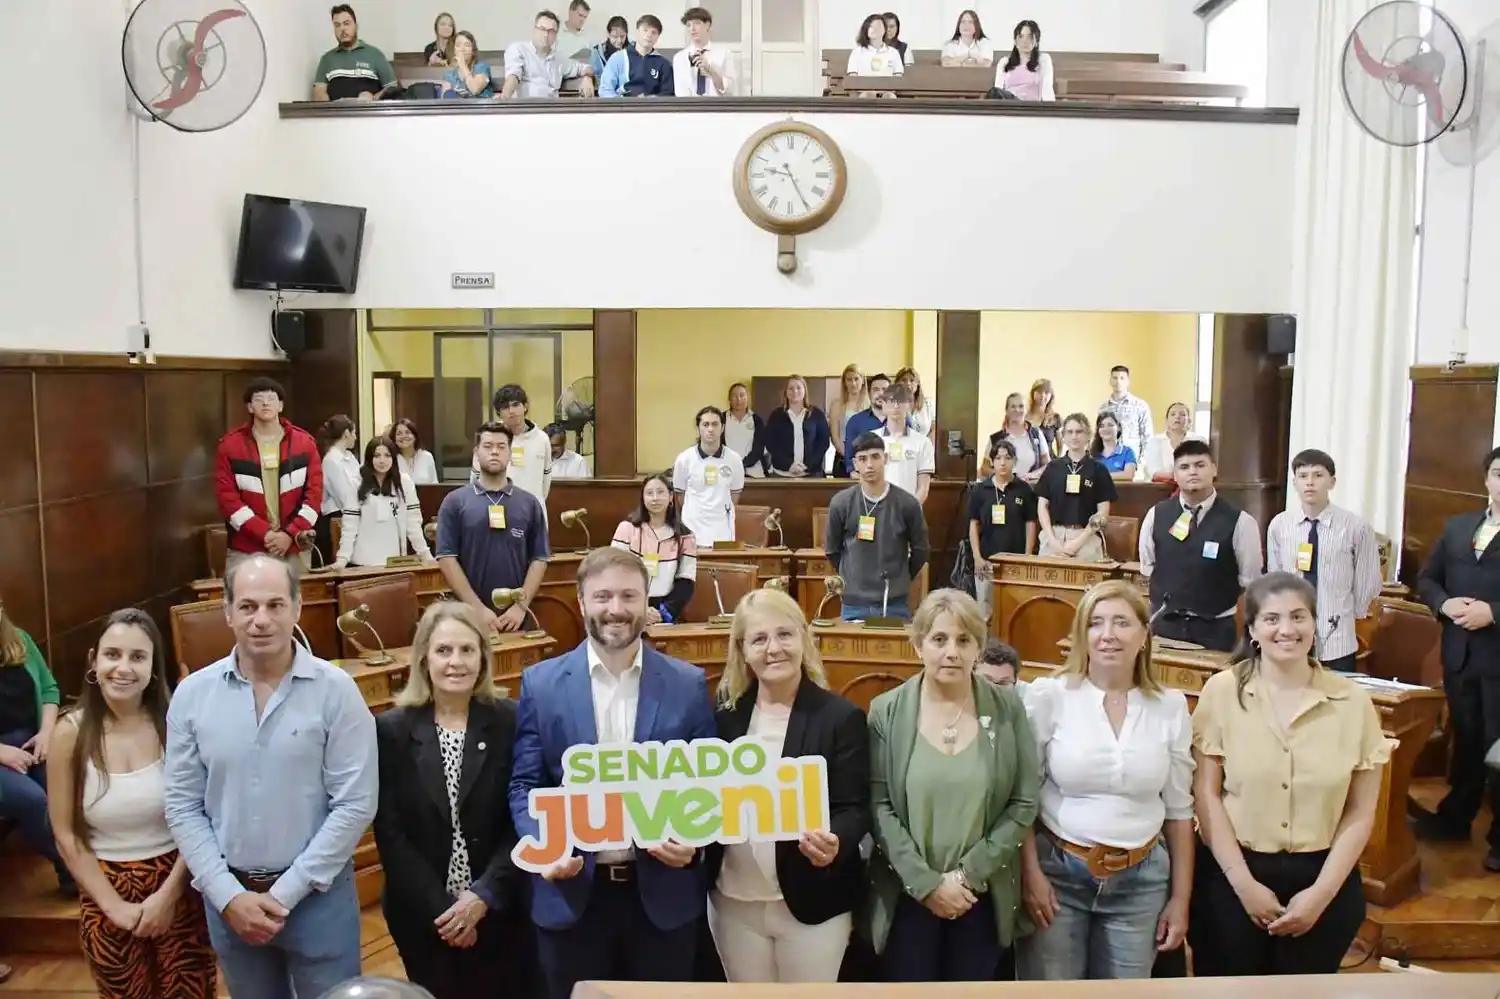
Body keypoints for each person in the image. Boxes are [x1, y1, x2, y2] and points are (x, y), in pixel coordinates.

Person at [164, 554, 377, 998]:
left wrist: (285, 893)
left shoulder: (336, 692)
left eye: (276, 605)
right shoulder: (191, 696)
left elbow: (355, 804)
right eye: (247, 606)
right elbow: (183, 805)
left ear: (298, 609)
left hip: (319, 901)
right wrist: (227, 895)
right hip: (231, 902)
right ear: (227, 612)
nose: (261, 620)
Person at [508, 547, 716, 999]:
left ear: (647, 602)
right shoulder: (540, 685)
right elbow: (525, 785)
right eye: (602, 597)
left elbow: (708, 786)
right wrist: (546, 849)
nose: (616, 610)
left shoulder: (689, 684)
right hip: (572, 898)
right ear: (581, 602)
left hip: (662, 901)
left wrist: (695, 841)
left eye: (628, 596)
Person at [1190, 573, 1386, 974]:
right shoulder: (1222, 692)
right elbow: (1206, 797)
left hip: (1323, 877)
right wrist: (1243, 885)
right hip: (1232, 875)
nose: (1287, 629)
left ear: (1315, 624)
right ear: (1253, 630)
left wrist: (1320, 895)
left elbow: (1361, 812)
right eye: (1272, 619)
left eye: (1299, 617)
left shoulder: (1353, 702)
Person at [1016, 581, 1194, 980]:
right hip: (1058, 875)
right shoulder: (1050, 696)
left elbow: (1180, 812)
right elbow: (1022, 798)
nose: (1108, 634)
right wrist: (1031, 874)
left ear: (1144, 635)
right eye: (1096, 623)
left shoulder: (1170, 706)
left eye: (1121, 623)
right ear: (1082, 635)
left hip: (1141, 881)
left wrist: (1181, 899)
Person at [867, 589, 1038, 981]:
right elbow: (879, 806)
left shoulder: (1008, 708)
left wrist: (966, 877)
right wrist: (927, 884)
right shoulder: (886, 711)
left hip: (981, 891)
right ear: (918, 646)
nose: (952, 652)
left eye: (964, 640)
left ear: (978, 647)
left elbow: (1024, 801)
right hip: (908, 893)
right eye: (939, 639)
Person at [49, 610, 216, 999]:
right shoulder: (68, 734)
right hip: (104, 891)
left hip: (180, 884)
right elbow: (66, 834)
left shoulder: (176, 726)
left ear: (154, 667)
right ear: (94, 660)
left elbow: (203, 816)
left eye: (137, 657)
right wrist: (113, 906)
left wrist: (167, 896)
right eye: (112, 655)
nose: (122, 668)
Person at [705, 589, 869, 981]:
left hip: (811, 901)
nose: (773, 648)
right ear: (742, 650)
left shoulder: (840, 717)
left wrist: (836, 842)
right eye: (759, 639)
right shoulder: (724, 717)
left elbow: (855, 807)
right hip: (733, 902)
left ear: (803, 639)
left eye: (784, 635)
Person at [374, 602, 519, 999]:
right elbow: (391, 833)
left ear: (483, 657)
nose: (456, 662)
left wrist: (481, 898)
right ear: (424, 658)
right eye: (443, 651)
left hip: (500, 908)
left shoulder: (511, 721)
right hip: (421, 915)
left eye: (467, 650)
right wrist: (445, 911)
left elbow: (521, 821)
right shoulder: (391, 731)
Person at [1414, 444, 1500, 870]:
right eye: (1499, 473)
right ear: (1487, 479)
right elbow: (1427, 579)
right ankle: (1455, 819)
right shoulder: (1459, 526)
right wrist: (1443, 604)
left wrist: (1494, 613)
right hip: (1460, 655)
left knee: (1497, 748)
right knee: (1465, 742)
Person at [1139, 440, 1263, 652]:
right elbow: (1147, 566)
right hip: (1164, 626)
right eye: (1184, 467)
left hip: (1215, 629)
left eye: (1200, 465)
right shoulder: (1156, 515)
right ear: (1175, 475)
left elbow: (1249, 581)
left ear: (1214, 469)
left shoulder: (1241, 522)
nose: (1192, 472)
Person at [1265, 449, 1381, 673]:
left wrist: (1349, 613)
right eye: (1303, 476)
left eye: (1318, 475)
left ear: (1332, 481)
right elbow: (1275, 579)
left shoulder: (1356, 527)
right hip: (1290, 635)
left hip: (1337, 638)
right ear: (1294, 482)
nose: (1310, 483)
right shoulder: (1280, 525)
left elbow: (1368, 581)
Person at [437, 423, 551, 635]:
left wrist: (520, 607)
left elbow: (540, 558)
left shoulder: (529, 503)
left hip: (516, 619)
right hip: (467, 616)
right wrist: (477, 608)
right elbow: (447, 558)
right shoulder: (455, 501)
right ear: (476, 452)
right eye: (488, 446)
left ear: (510, 453)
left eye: (501, 446)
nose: (495, 452)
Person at [0, 595, 72, 894]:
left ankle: (83, 866)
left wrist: (45, 732)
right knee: (34, 801)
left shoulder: (20, 640)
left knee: (64, 788)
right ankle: (71, 869)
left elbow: (49, 689)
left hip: (32, 740)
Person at [214, 377, 323, 571]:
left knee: (296, 600)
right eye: (258, 399)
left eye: (271, 398)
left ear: (280, 405)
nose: (265, 403)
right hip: (246, 549)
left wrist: (289, 535)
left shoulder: (304, 443)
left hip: (293, 546)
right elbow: (227, 499)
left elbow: (314, 495)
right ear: (249, 407)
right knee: (244, 600)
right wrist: (264, 533)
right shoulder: (229, 446)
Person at [826, 432, 929, 622]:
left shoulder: (907, 504)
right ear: (855, 464)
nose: (869, 465)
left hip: (893, 603)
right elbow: (833, 551)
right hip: (853, 603)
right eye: (862, 459)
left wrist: (901, 578)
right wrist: (853, 576)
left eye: (875, 457)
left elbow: (921, 550)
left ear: (886, 459)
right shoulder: (841, 503)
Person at [333, 436, 435, 569]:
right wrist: (342, 559)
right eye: (377, 456)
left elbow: (413, 524)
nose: (382, 461)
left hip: (395, 561)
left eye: (387, 455)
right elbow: (350, 526)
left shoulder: (405, 483)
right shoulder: (356, 483)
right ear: (369, 458)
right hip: (362, 562)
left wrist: (425, 555)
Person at [611, 473, 697, 625]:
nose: (655, 498)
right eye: (649, 493)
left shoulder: (685, 536)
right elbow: (615, 573)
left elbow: (686, 582)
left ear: (671, 496)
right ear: (643, 499)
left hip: (664, 612)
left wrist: (663, 613)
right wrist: (638, 608)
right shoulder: (627, 529)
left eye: (660, 492)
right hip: (628, 608)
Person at [969, 439, 1038, 622]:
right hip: (986, 561)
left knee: (1014, 613)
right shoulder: (980, 490)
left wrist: (1027, 556)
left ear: (1014, 461)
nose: (1002, 462)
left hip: (1015, 561)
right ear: (991, 461)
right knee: (984, 613)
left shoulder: (1024, 490)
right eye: (998, 458)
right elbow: (973, 524)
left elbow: (1031, 523)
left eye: (1007, 458)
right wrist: (977, 557)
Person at [1035, 413, 1116, 562]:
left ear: (1088, 436)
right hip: (1054, 535)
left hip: (1086, 536)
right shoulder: (1053, 467)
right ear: (1063, 436)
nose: (1074, 436)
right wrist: (1052, 539)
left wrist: (1079, 541)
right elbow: (1042, 506)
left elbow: (1103, 512)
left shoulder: (1099, 469)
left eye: (1079, 432)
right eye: (1070, 432)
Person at [672, 406, 744, 546]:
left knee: (723, 567)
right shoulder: (684, 459)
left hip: (723, 531)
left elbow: (734, 496)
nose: (710, 429)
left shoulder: (734, 460)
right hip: (692, 529)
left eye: (715, 424)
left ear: (722, 428)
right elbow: (680, 496)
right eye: (706, 424)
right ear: (698, 429)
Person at [503, 10, 597, 99]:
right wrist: (504, 99)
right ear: (534, 30)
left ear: (556, 35)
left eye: (551, 31)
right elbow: (513, 76)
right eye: (542, 29)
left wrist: (587, 78)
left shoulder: (559, 60)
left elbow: (585, 68)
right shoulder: (519, 49)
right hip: (526, 109)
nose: (546, 35)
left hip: (553, 110)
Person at [313, 4, 396, 101]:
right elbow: (319, 92)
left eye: (346, 23)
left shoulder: (375, 54)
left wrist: (373, 98)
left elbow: (392, 87)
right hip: (337, 113)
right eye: (337, 25)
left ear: (356, 26)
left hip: (368, 113)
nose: (342, 29)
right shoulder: (326, 59)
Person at [487, 384, 553, 504]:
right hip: (498, 509)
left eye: (516, 405)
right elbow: (477, 478)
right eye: (505, 407)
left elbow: (546, 481)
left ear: (525, 407)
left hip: (533, 509)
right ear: (498, 412)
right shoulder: (490, 437)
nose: (511, 411)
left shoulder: (542, 439)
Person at [876, 384, 935, 504]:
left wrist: (909, 511)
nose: (896, 406)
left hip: (909, 512)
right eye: (891, 401)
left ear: (909, 404)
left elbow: (923, 488)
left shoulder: (923, 442)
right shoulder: (872, 439)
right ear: (883, 404)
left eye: (901, 401)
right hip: (878, 510)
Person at [316, 415, 361, 566]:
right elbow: (343, 495)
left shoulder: (349, 456)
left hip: (351, 513)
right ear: (347, 433)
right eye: (354, 433)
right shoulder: (331, 460)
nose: (355, 437)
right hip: (336, 517)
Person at [766, 375, 831, 478]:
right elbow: (771, 443)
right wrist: (789, 465)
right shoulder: (776, 415)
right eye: (791, 388)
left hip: (811, 474)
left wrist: (807, 465)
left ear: (805, 390)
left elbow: (823, 443)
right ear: (786, 392)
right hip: (782, 475)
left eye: (798, 388)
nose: (795, 391)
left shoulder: (816, 414)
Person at [600, 14, 674, 97]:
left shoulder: (664, 64)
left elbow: (668, 94)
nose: (649, 35)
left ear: (658, 37)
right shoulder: (617, 58)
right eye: (645, 30)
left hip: (652, 107)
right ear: (637, 31)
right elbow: (605, 90)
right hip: (622, 106)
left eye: (654, 32)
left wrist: (653, 100)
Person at [982, 391, 1049, 484]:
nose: (1017, 410)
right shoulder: (995, 438)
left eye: (1021, 406)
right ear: (1007, 410)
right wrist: (1006, 477)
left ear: (1026, 410)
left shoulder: (1036, 434)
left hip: (1031, 491)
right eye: (1013, 406)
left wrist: (1032, 475)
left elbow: (1047, 465)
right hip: (1004, 491)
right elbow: (984, 469)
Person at [843, 373, 899, 474]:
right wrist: (852, 472)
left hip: (896, 478)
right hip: (865, 479)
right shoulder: (855, 422)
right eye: (876, 390)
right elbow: (849, 457)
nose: (881, 393)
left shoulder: (903, 421)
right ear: (869, 394)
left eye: (885, 389)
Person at [674, 7, 737, 96]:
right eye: (688, 25)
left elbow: (730, 91)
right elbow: (680, 92)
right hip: (689, 107)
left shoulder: (725, 54)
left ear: (707, 25)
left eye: (697, 23)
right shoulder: (679, 58)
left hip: (717, 107)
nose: (692, 28)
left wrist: (712, 72)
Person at [1097, 366, 1152, 459]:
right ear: (1110, 381)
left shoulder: (1140, 406)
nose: (1118, 381)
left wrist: (1142, 461)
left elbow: (1147, 436)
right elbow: (1099, 436)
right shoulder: (1103, 408)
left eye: (1122, 378)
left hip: (1134, 460)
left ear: (1128, 381)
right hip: (1110, 461)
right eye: (1115, 378)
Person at [1139, 403, 1202, 482]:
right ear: (1166, 420)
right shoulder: (1155, 441)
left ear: (1189, 421)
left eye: (1182, 414)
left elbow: (1201, 468)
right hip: (1160, 488)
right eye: (1173, 414)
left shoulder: (1198, 440)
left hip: (1193, 486)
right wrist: (1184, 476)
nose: (1177, 417)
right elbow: (1155, 473)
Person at [996, 20, 1053, 101]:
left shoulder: (1043, 60)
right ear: (1015, 40)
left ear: (1036, 40)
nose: (1025, 41)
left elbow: (1047, 89)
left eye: (1030, 37)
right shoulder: (1004, 62)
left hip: (1030, 107)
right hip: (1009, 106)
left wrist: (1049, 110)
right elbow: (998, 89)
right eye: (1021, 36)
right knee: (994, 92)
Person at [847, 13, 904, 95]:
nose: (874, 29)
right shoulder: (857, 52)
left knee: (889, 97)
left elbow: (898, 78)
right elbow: (853, 78)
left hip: (887, 92)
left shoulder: (893, 53)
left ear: (884, 30)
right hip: (864, 93)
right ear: (866, 29)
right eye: (871, 26)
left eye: (878, 26)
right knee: (869, 95)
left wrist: (885, 91)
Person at [830, 365, 869, 480]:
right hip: (842, 458)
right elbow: (835, 436)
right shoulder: (837, 405)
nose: (853, 383)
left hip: (866, 459)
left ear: (862, 381)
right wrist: (848, 456)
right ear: (844, 382)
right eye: (849, 379)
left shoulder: (870, 405)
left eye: (856, 379)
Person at [723, 383, 768, 479]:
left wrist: (743, 464)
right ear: (729, 399)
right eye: (734, 396)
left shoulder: (757, 420)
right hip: (727, 472)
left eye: (742, 395)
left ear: (748, 398)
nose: (738, 399)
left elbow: (758, 449)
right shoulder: (721, 419)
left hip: (754, 473)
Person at [443, 30, 493, 98]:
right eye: (458, 45)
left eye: (467, 45)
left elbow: (475, 89)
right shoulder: (450, 74)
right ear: (454, 50)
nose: (462, 49)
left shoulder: (481, 67)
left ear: (473, 50)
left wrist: (463, 66)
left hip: (479, 107)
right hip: (457, 107)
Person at [1091, 411, 1138, 482]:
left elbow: (1128, 475)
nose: (1106, 429)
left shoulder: (1128, 452)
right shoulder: (1092, 454)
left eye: (1110, 425)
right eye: (1101, 426)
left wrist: (1101, 476)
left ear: (1118, 428)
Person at [392, 418, 440, 485]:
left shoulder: (427, 457)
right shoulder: (391, 459)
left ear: (415, 436)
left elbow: (434, 485)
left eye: (407, 432)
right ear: (394, 439)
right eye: (399, 434)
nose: (404, 436)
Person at [893, 367, 935, 443]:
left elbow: (934, 429)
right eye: (903, 380)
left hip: (925, 449)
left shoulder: (928, 404)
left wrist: (928, 447)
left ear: (917, 384)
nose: (908, 383)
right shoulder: (892, 405)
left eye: (912, 380)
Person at [1026, 378, 1062, 459]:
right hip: (1029, 466)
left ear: (1051, 396)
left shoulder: (1055, 418)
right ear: (1033, 394)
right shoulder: (1023, 417)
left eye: (1046, 392)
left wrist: (1059, 462)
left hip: (1050, 465)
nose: (1043, 395)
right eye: (1039, 392)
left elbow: (1061, 446)